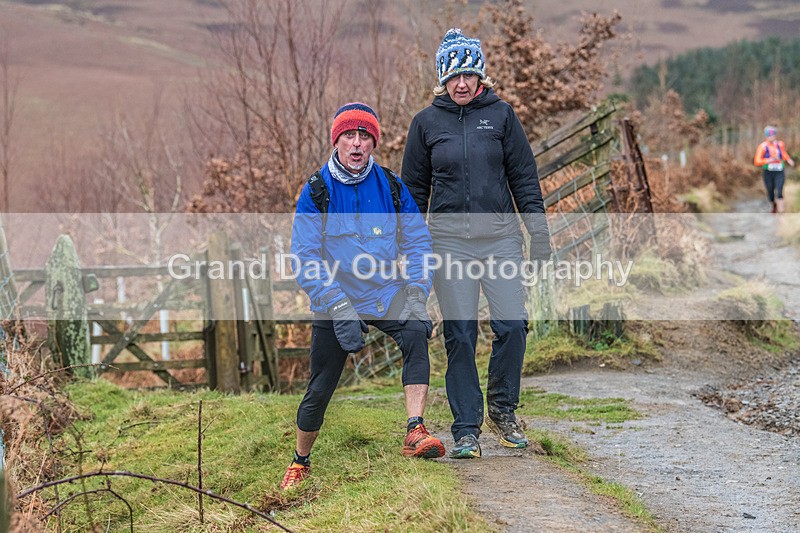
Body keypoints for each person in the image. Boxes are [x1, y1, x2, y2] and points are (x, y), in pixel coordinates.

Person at [401, 28, 551, 459]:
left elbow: (524, 177)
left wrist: (537, 232)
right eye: (454, 76)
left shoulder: (502, 116)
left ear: (480, 76)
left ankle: (503, 409)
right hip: (449, 245)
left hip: (501, 239)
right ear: (442, 79)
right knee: (461, 335)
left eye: (469, 74)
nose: (462, 83)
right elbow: (412, 193)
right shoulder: (425, 124)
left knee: (512, 327)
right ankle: (466, 428)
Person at [281, 102, 444, 490]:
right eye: (349, 136)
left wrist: (418, 292)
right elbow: (304, 257)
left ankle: (415, 431)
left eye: (365, 137)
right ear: (337, 141)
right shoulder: (317, 190)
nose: (357, 144)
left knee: (416, 331)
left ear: (374, 142)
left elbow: (419, 242)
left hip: (385, 291)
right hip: (335, 298)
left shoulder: (390, 185)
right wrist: (337, 305)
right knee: (321, 383)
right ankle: (300, 461)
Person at [754, 125, 795, 214]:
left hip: (779, 170)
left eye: (773, 135)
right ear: (766, 136)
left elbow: (783, 153)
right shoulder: (763, 147)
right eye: (769, 136)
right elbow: (757, 161)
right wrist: (768, 160)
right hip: (768, 172)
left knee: (779, 191)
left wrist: (788, 159)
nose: (772, 138)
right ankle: (774, 204)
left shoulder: (780, 144)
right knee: (771, 193)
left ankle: (781, 213)